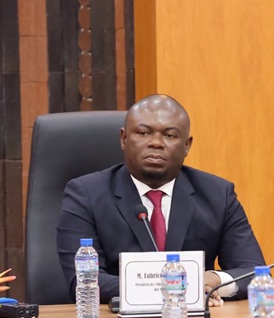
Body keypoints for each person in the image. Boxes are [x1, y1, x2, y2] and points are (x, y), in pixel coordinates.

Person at [57, 94, 265, 305]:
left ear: (187, 145)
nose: (156, 143)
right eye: (143, 132)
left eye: (170, 135)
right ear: (124, 139)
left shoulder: (218, 194)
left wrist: (212, 279)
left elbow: (255, 274)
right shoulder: (85, 194)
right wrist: (181, 287)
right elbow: (84, 281)